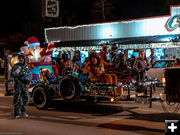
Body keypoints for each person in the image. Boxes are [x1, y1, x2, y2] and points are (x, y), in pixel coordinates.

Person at [11, 54, 32, 118]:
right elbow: (13, 74)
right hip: (17, 85)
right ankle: (17, 113)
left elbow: (30, 74)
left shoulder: (27, 67)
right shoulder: (16, 66)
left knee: (26, 98)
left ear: (24, 59)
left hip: (24, 86)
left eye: (22, 58)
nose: (21, 59)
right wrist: (19, 74)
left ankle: (23, 111)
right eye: (20, 58)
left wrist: (27, 79)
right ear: (18, 59)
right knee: (17, 99)